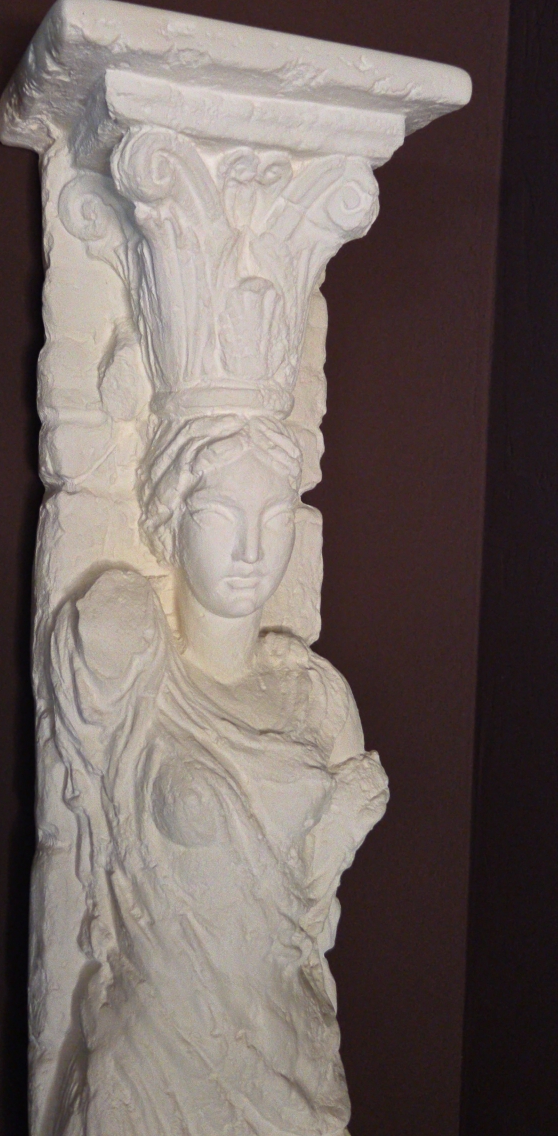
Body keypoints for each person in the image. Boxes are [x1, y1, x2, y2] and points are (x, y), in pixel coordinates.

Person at [48, 414, 388, 1136]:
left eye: (275, 517)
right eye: (218, 516)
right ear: (169, 525)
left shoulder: (316, 697)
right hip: (155, 1054)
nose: (250, 551)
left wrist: (342, 826)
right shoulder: (140, 679)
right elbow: (96, 634)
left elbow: (310, 906)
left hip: (284, 1042)